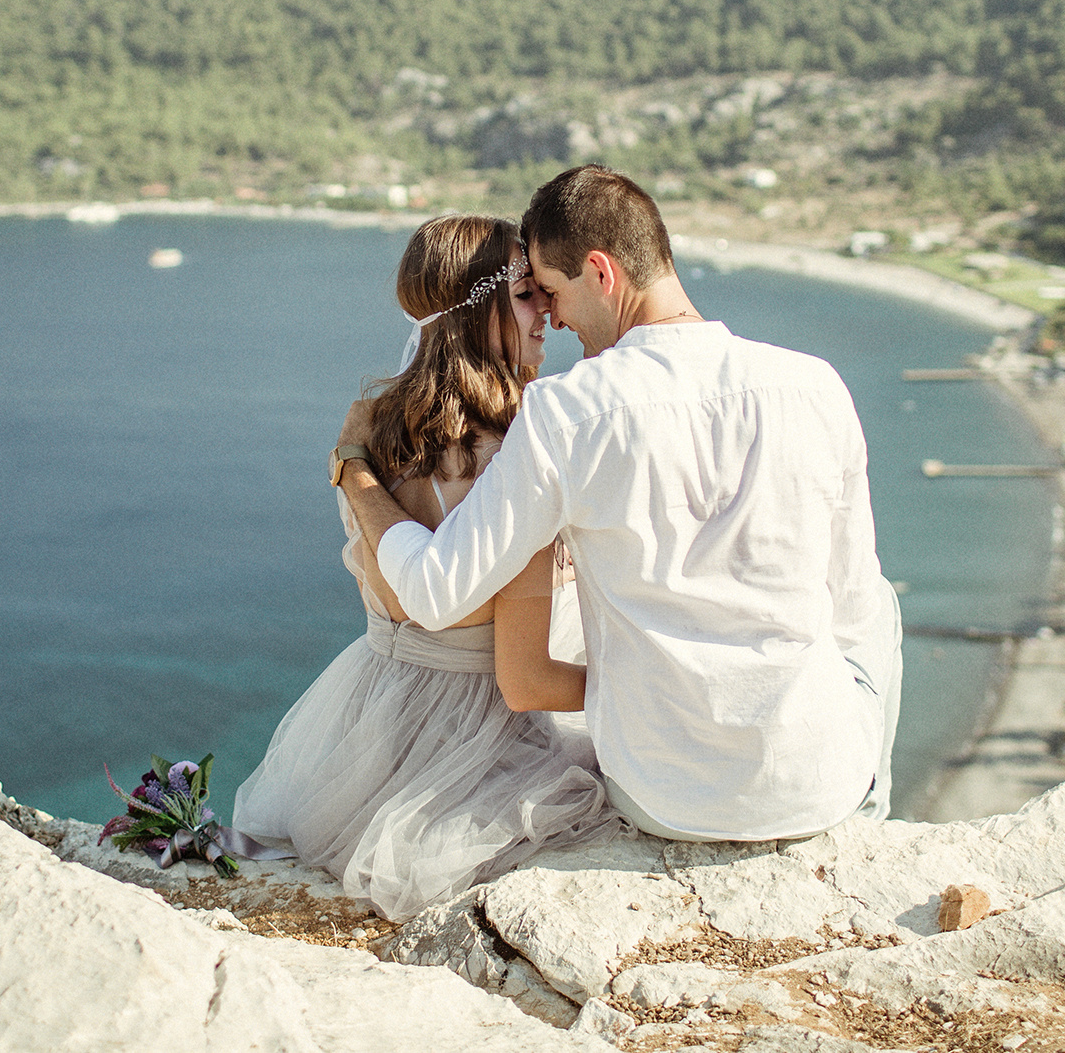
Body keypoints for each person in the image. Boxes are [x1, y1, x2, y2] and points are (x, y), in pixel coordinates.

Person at [335, 165, 903, 843]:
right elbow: (850, 604)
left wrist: (354, 471)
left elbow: (432, 591)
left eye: (549, 290)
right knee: (878, 608)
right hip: (816, 788)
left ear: (601, 273)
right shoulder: (816, 385)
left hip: (664, 797)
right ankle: (872, 815)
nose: (552, 315)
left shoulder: (565, 413)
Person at [227, 213, 618, 920]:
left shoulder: (370, 428)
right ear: (481, 309)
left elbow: (401, 594)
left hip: (371, 718)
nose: (549, 316)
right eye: (528, 294)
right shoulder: (517, 448)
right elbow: (523, 675)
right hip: (476, 737)